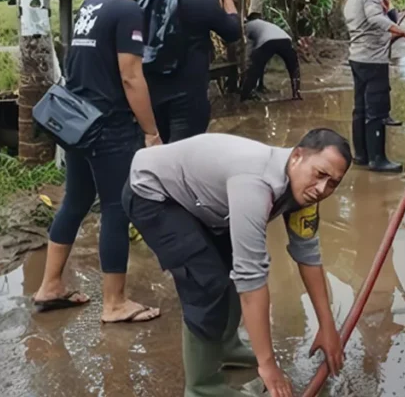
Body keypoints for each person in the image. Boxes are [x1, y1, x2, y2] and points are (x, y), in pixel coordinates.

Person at [123, 129, 352, 397]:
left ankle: (225, 345)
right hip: (154, 193)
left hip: (201, 200)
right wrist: (268, 367)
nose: (323, 189)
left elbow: (308, 254)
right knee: (208, 284)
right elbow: (251, 280)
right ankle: (201, 387)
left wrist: (328, 326)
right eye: (320, 174)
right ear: (297, 156)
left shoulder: (305, 191)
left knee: (229, 264)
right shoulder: (256, 185)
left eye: (333, 183)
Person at [32, 0, 162, 324]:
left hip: (77, 121)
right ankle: (115, 303)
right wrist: (151, 131)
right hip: (109, 126)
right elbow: (130, 74)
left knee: (75, 200)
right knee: (116, 209)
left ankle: (50, 285)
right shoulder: (127, 9)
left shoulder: (90, 5)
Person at [143, 0, 242, 143]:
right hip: (188, 97)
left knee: (159, 156)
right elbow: (233, 32)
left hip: (151, 94)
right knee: (184, 158)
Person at [344, 0, 405, 173]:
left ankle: (361, 155)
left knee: (360, 109)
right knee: (375, 111)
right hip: (372, 60)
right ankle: (377, 159)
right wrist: (402, 30)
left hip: (357, 57)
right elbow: (375, 18)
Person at [240, 14, 302, 101]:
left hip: (266, 42)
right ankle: (296, 93)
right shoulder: (267, 24)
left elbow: (249, 46)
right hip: (285, 39)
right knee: (294, 67)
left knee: (255, 69)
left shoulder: (247, 25)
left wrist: (249, 61)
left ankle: (245, 95)